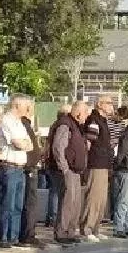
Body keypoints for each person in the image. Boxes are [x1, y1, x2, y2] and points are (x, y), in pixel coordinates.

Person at [0, 96, 33, 249]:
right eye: (26, 106)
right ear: (17, 105)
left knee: (17, 205)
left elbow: (30, 144)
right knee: (7, 203)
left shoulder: (20, 122)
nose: (28, 109)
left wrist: (24, 143)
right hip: (9, 166)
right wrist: (23, 143)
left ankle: (13, 236)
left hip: (20, 167)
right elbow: (17, 143)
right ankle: (3, 237)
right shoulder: (6, 120)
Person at [49, 100, 89, 245]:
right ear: (78, 113)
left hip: (76, 170)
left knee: (76, 202)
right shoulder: (65, 124)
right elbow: (58, 147)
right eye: (85, 113)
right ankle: (62, 232)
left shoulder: (76, 125)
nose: (87, 117)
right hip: (68, 170)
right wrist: (64, 168)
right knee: (67, 202)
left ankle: (71, 231)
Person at [81, 96, 116, 240]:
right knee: (94, 198)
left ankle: (96, 228)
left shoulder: (103, 121)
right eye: (109, 103)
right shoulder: (94, 120)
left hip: (104, 163)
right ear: (100, 105)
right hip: (96, 163)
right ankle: (87, 228)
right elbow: (89, 141)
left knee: (102, 199)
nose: (111, 106)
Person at [17, 101, 48, 250]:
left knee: (31, 202)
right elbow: (25, 146)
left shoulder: (27, 124)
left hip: (32, 166)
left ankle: (29, 233)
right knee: (29, 202)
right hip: (28, 168)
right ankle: (27, 234)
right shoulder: (22, 124)